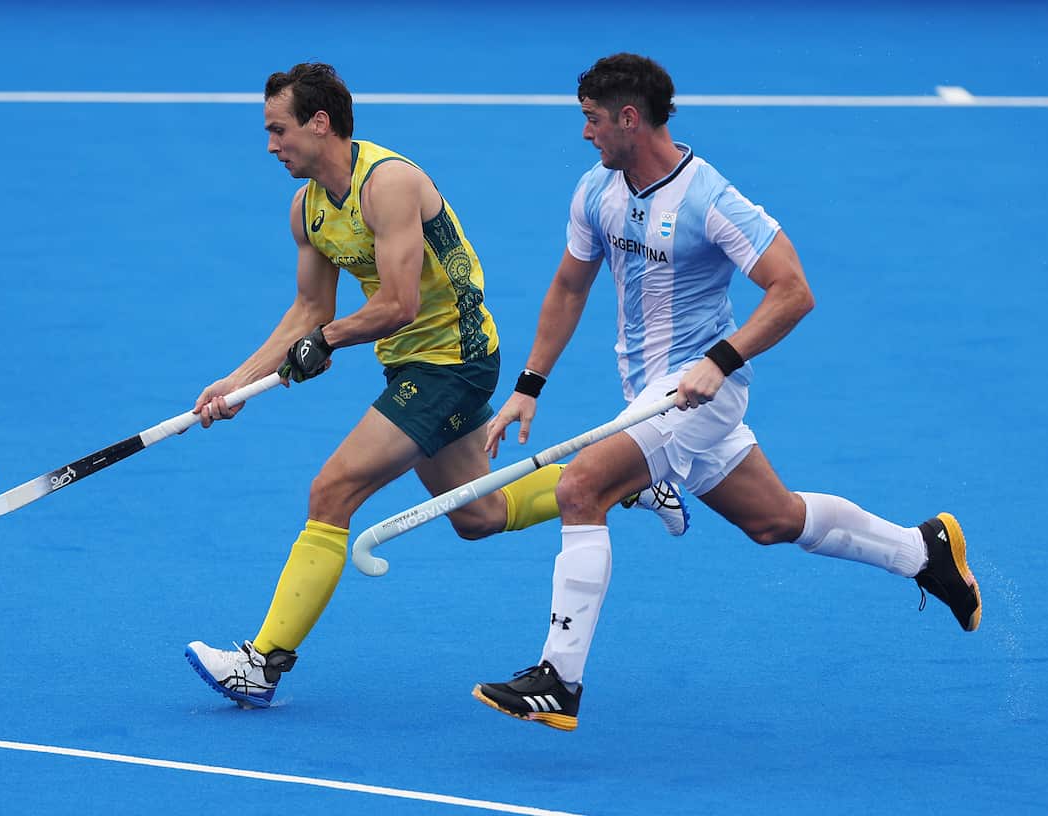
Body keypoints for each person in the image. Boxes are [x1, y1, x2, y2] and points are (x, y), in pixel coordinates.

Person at [472, 53, 982, 732]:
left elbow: (793, 290)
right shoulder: (596, 191)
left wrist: (719, 358)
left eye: (593, 120)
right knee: (773, 520)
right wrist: (529, 387)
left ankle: (558, 679)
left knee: (580, 488)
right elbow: (569, 286)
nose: (586, 134)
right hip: (651, 395)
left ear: (629, 118)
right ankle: (925, 553)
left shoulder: (711, 199)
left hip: (699, 392)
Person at [183, 62, 688, 709]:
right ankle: (629, 478)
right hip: (409, 362)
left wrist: (328, 342)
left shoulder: (388, 184)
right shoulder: (308, 209)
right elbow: (308, 310)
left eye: (279, 129)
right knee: (477, 515)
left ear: (319, 122)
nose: (271, 144)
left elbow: (396, 303)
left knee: (332, 489)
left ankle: (262, 664)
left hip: (454, 358)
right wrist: (234, 383)